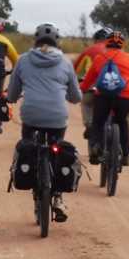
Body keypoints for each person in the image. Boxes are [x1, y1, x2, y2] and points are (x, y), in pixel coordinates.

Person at [7, 23, 82, 221]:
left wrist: (11, 98)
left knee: (29, 147)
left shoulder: (23, 60)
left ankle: (33, 181)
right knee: (56, 148)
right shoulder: (66, 63)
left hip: (31, 116)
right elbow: (75, 96)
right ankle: (57, 197)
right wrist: (71, 97)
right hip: (57, 117)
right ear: (57, 41)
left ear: (35, 41)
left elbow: (12, 92)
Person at [80, 31, 129, 167]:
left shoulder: (99, 58)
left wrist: (83, 88)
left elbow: (88, 80)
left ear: (106, 43)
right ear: (123, 45)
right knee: (122, 122)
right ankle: (126, 154)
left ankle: (96, 148)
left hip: (103, 96)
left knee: (98, 121)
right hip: (126, 97)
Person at [73, 28, 111, 140]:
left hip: (92, 86)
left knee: (86, 103)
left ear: (96, 39)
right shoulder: (117, 51)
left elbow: (74, 69)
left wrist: (76, 81)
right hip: (111, 86)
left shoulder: (88, 51)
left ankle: (89, 125)